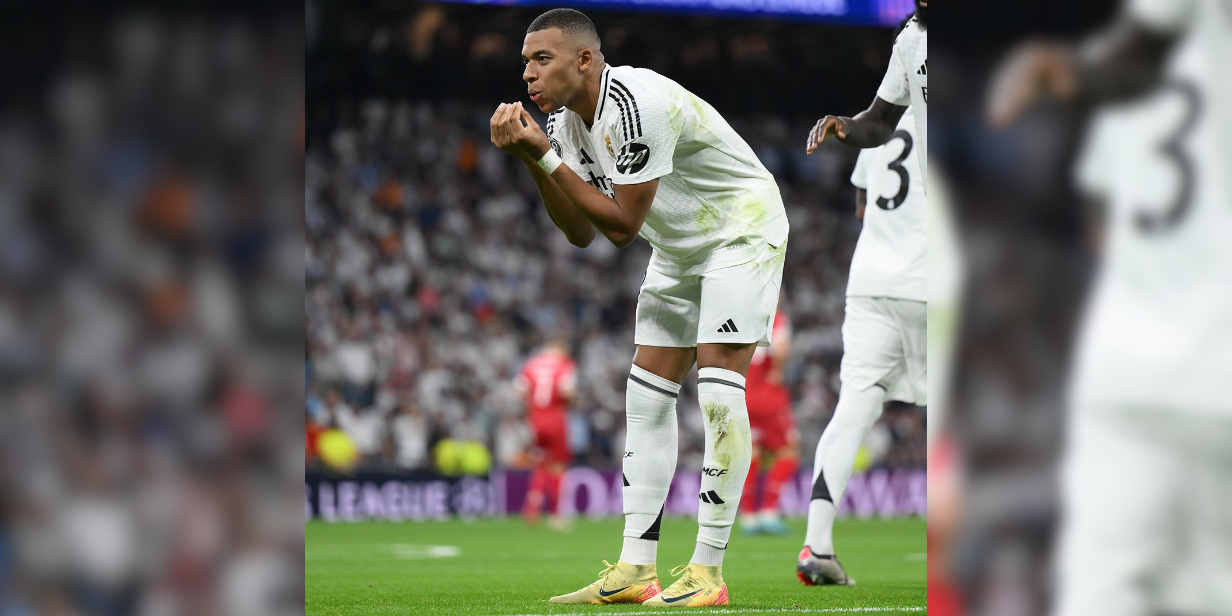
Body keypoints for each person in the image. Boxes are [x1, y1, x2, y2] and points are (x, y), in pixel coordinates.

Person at [489, 8, 789, 607]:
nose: (527, 73)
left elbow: (623, 227)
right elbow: (580, 232)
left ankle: (708, 572)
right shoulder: (567, 124)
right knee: (646, 397)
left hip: (739, 231)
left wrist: (544, 154)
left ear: (584, 60)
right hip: (677, 248)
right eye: (525, 61)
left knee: (718, 393)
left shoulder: (635, 102)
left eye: (541, 58)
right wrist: (534, 157)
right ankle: (635, 568)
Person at [798, 107, 927, 585]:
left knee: (853, 410)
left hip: (871, 283)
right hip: (932, 278)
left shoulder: (881, 120)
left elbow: (862, 207)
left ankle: (817, 547)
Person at [738, 309, 798, 536]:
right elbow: (781, 349)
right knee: (788, 450)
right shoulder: (776, 317)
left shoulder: (744, 313)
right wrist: (778, 371)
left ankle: (748, 517)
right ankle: (769, 512)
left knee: (753, 453)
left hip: (744, 392)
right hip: (768, 395)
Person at [514, 340, 578, 529]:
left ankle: (531, 509)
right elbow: (567, 391)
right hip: (555, 419)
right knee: (558, 466)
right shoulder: (564, 365)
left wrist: (532, 407)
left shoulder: (531, 364)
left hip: (535, 420)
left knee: (540, 463)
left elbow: (519, 391)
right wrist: (570, 403)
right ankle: (555, 515)